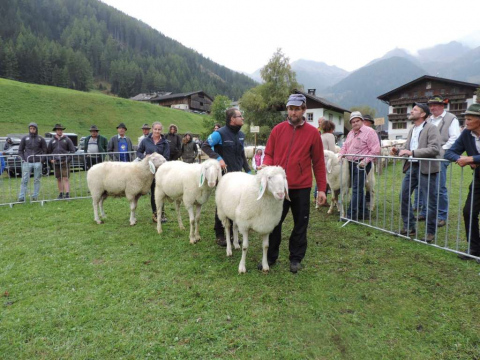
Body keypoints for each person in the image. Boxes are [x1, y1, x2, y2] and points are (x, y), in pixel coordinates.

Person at [259, 93, 327, 274]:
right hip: (279, 187)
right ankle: (271, 257)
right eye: (290, 108)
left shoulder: (313, 134)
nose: (293, 112)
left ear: (304, 109)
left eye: (297, 109)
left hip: (301, 187)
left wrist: (321, 188)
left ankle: (295, 258)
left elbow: (319, 162)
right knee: (274, 222)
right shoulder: (277, 130)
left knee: (300, 224)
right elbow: (269, 152)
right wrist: (266, 163)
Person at [390, 103, 441, 243]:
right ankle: (409, 227)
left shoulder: (431, 128)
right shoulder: (412, 129)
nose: (411, 111)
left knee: (429, 201)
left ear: (423, 114)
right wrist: (399, 151)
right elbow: (408, 148)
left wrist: (412, 152)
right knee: (404, 195)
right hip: (412, 167)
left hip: (426, 168)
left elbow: (435, 148)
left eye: (415, 110)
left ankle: (430, 232)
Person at [201, 108, 251, 247]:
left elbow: (242, 154)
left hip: (238, 175)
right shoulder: (219, 134)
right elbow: (204, 146)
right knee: (222, 204)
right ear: (232, 119)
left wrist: (247, 171)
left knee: (236, 203)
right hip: (224, 175)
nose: (243, 118)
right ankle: (220, 234)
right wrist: (218, 158)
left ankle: (232, 234)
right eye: (240, 116)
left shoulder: (241, 135)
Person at [417, 95, 460, 227]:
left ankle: (441, 215)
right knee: (424, 185)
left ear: (442, 106)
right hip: (426, 156)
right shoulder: (428, 119)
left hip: (440, 157)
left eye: (435, 105)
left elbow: (455, 138)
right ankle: (425, 212)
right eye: (430, 105)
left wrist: (442, 149)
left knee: (439, 187)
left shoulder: (451, 118)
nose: (432, 107)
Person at [444, 103, 480, 260]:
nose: (466, 122)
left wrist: (472, 158)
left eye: (470, 119)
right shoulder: (466, 134)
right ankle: (474, 250)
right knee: (469, 211)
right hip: (478, 178)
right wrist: (461, 158)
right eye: (465, 118)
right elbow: (449, 152)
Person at [339, 111, 380, 220]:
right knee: (358, 188)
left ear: (362, 121)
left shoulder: (370, 132)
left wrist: (366, 161)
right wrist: (340, 154)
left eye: (357, 121)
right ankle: (363, 213)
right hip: (351, 163)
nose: (355, 123)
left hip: (362, 164)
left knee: (357, 188)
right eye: (353, 122)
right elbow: (345, 146)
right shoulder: (351, 133)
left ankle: (351, 214)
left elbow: (375, 150)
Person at [136, 121, 170, 223]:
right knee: (153, 192)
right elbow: (139, 152)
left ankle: (161, 213)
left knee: (160, 192)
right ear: (152, 129)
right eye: (155, 129)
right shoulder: (145, 141)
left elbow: (167, 157)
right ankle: (155, 214)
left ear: (161, 130)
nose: (157, 131)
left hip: (160, 171)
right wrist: (144, 157)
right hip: (149, 172)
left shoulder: (165, 143)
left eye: (159, 129)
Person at [17, 122, 47, 202]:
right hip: (27, 162)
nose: (32, 130)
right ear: (29, 129)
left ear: (36, 129)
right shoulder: (25, 138)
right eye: (31, 128)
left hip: (37, 162)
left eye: (34, 128)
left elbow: (45, 150)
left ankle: (35, 196)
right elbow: (20, 150)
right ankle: (21, 196)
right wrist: (23, 159)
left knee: (37, 179)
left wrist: (41, 160)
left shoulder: (41, 139)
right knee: (24, 179)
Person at [47, 124, 75, 199]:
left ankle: (67, 194)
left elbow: (72, 151)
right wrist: (50, 159)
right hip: (56, 162)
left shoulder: (67, 139)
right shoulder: (52, 141)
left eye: (61, 129)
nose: (59, 131)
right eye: (58, 130)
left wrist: (67, 160)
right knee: (59, 178)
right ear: (56, 131)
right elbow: (48, 152)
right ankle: (61, 193)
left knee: (65, 178)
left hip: (64, 162)